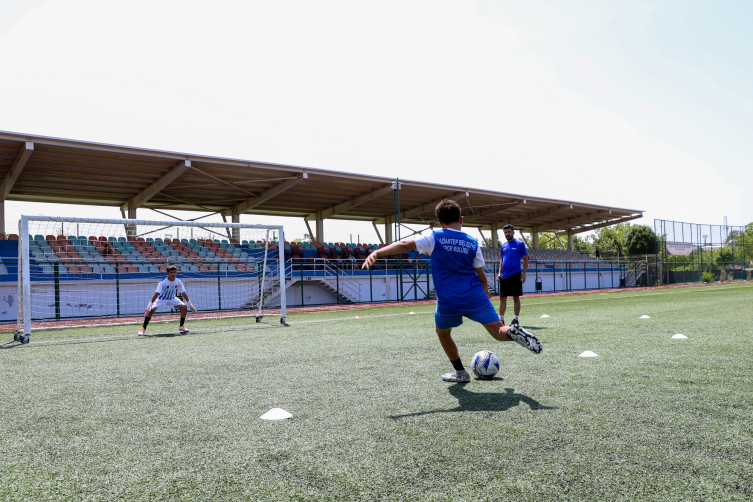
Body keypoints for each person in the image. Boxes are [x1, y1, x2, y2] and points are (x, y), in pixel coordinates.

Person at [362, 200, 542, 383]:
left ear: (440, 222)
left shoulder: (435, 236)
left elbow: (404, 244)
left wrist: (377, 253)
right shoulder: (472, 242)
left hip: (448, 299)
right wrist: (486, 291)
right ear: (461, 219)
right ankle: (513, 333)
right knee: (497, 330)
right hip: (474, 295)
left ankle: (461, 373)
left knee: (443, 333)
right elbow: (481, 274)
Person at [138, 265, 196, 335]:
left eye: (175, 272)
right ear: (168, 273)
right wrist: (150, 304)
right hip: (161, 299)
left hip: (172, 298)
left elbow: (183, 293)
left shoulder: (178, 281)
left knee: (184, 307)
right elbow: (156, 294)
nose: (173, 274)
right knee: (151, 310)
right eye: (171, 272)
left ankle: (181, 326)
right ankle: (143, 328)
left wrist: (190, 304)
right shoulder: (162, 282)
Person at [498, 223, 528, 328]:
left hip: (515, 274)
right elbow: (501, 260)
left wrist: (523, 273)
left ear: (513, 232)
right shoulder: (503, 245)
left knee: (516, 298)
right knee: (502, 298)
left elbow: (525, 259)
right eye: (505, 232)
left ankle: (516, 319)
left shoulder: (520, 244)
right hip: (504, 276)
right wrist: (499, 273)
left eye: (509, 232)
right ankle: (501, 319)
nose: (507, 234)